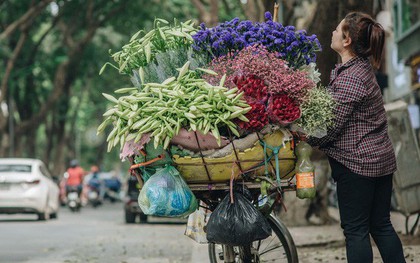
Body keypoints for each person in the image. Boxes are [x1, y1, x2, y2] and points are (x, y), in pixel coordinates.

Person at [307, 12, 405, 263]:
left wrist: (305, 136)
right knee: (381, 225)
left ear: (347, 39)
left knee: (356, 231)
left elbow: (331, 128)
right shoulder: (358, 70)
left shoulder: (351, 78)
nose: (332, 32)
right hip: (378, 162)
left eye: (338, 30)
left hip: (359, 166)